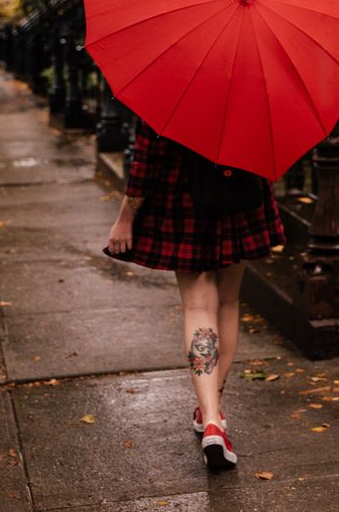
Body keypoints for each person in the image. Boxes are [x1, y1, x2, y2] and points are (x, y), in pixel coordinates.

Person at [104, 117, 287, 471]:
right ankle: (212, 415)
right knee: (230, 302)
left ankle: (212, 418)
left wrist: (125, 217)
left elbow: (145, 156)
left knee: (198, 306)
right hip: (241, 193)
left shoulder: (169, 81)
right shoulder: (250, 78)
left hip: (183, 199)